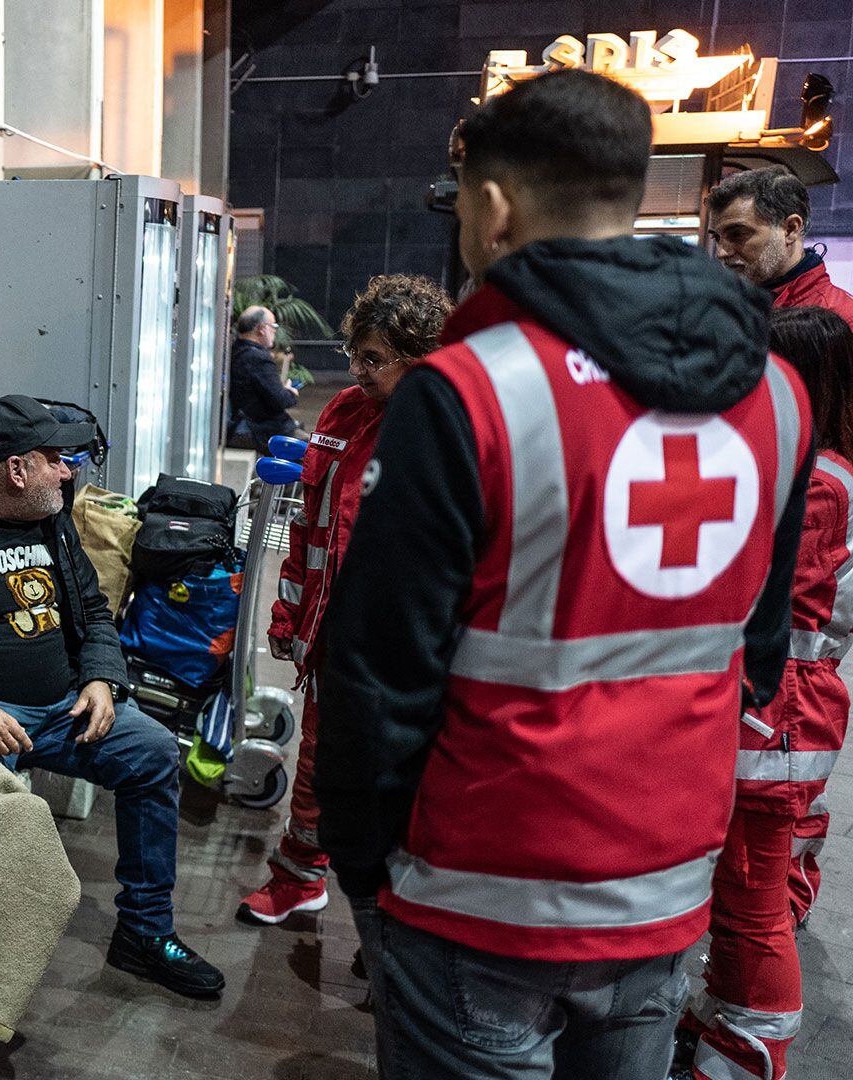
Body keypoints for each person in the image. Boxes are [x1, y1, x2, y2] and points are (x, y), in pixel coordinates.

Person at [315, 69, 811, 1079]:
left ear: (491, 208)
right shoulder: (778, 393)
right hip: (668, 887)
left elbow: (378, 674)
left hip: (479, 892)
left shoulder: (469, 392)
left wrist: (362, 864)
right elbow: (763, 649)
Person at [0, 394, 225, 999]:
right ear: (16, 469)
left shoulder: (52, 521)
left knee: (156, 752)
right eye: (56, 458)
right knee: (0, 815)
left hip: (63, 710)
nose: (69, 470)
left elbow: (92, 610)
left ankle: (144, 931)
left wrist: (103, 678)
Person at [237, 274, 452, 928]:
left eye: (374, 360)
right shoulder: (342, 415)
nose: (356, 372)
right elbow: (309, 528)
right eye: (354, 356)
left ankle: (394, 922)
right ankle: (300, 877)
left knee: (406, 788)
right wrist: (289, 613)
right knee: (319, 769)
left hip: (409, 654)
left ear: (420, 355)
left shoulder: (446, 426)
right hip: (335, 642)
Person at [679, 306, 853, 1080]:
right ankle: (733, 1021)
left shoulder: (813, 480)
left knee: (751, 899)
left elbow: (764, 601)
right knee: (753, 889)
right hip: (788, 712)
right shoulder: (828, 468)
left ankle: (750, 1050)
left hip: (772, 715)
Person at [709, 167, 853, 324]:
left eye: (737, 234)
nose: (721, 252)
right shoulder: (725, 308)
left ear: (790, 229)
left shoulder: (842, 321)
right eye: (717, 237)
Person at [229, 306, 302, 451]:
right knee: (315, 453)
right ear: (261, 329)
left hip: (245, 425)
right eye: (273, 326)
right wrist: (291, 392)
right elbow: (280, 400)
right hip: (259, 431)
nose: (275, 331)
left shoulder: (237, 350)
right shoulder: (257, 358)